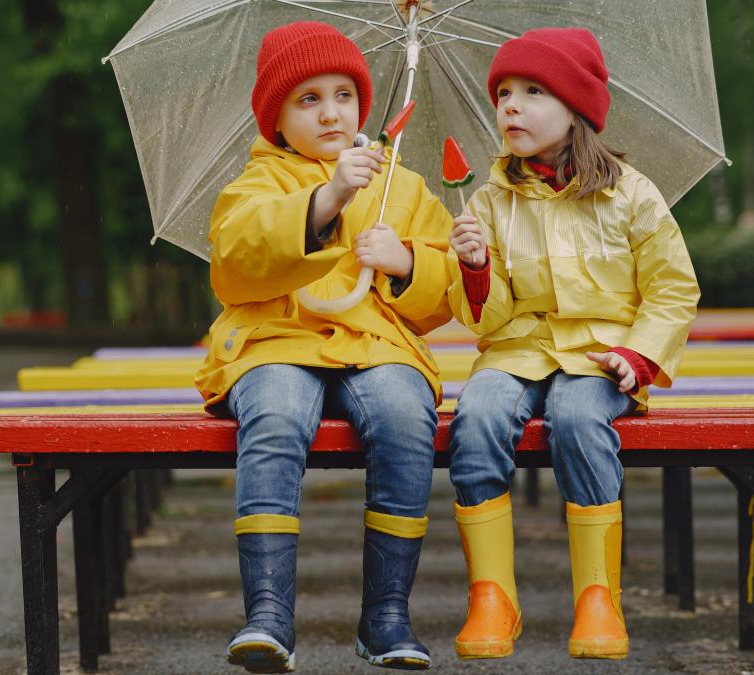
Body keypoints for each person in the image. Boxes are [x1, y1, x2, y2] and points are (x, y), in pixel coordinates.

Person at [194, 20, 455, 673]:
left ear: (364, 105)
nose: (330, 111)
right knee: (276, 413)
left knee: (403, 414)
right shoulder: (258, 183)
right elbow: (236, 257)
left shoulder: (402, 184)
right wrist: (330, 195)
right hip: (275, 340)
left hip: (374, 343)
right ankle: (268, 611)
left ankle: (387, 614)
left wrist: (405, 262)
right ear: (277, 118)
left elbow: (445, 295)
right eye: (308, 99)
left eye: (343, 94)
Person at [445, 27, 700, 661]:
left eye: (533, 91)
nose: (511, 105)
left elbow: (672, 290)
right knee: (475, 417)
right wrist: (475, 269)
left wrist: (638, 356)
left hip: (600, 356)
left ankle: (597, 595)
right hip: (517, 350)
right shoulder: (489, 201)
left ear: (577, 108)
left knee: (578, 416)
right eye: (503, 92)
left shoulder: (631, 195)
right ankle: (491, 595)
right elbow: (485, 322)